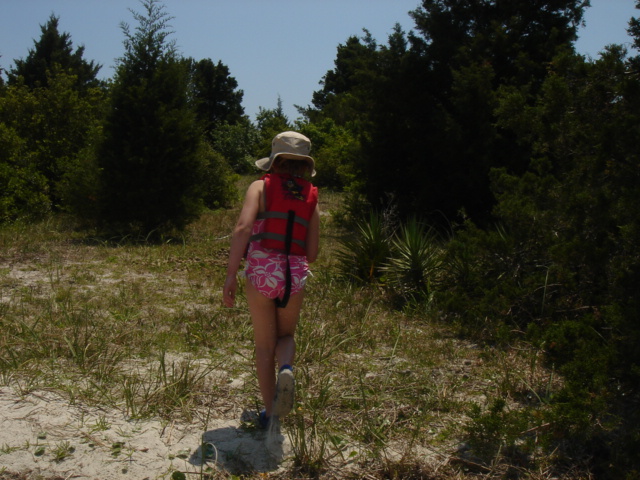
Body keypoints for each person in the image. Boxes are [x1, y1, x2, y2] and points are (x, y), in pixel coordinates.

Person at [223, 131, 320, 428]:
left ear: (274, 161)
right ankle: (286, 367)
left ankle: (270, 415)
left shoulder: (259, 186)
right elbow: (312, 253)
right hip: (295, 274)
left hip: (262, 271)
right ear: (305, 164)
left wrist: (231, 275)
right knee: (285, 336)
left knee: (265, 347)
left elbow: (242, 228)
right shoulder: (312, 194)